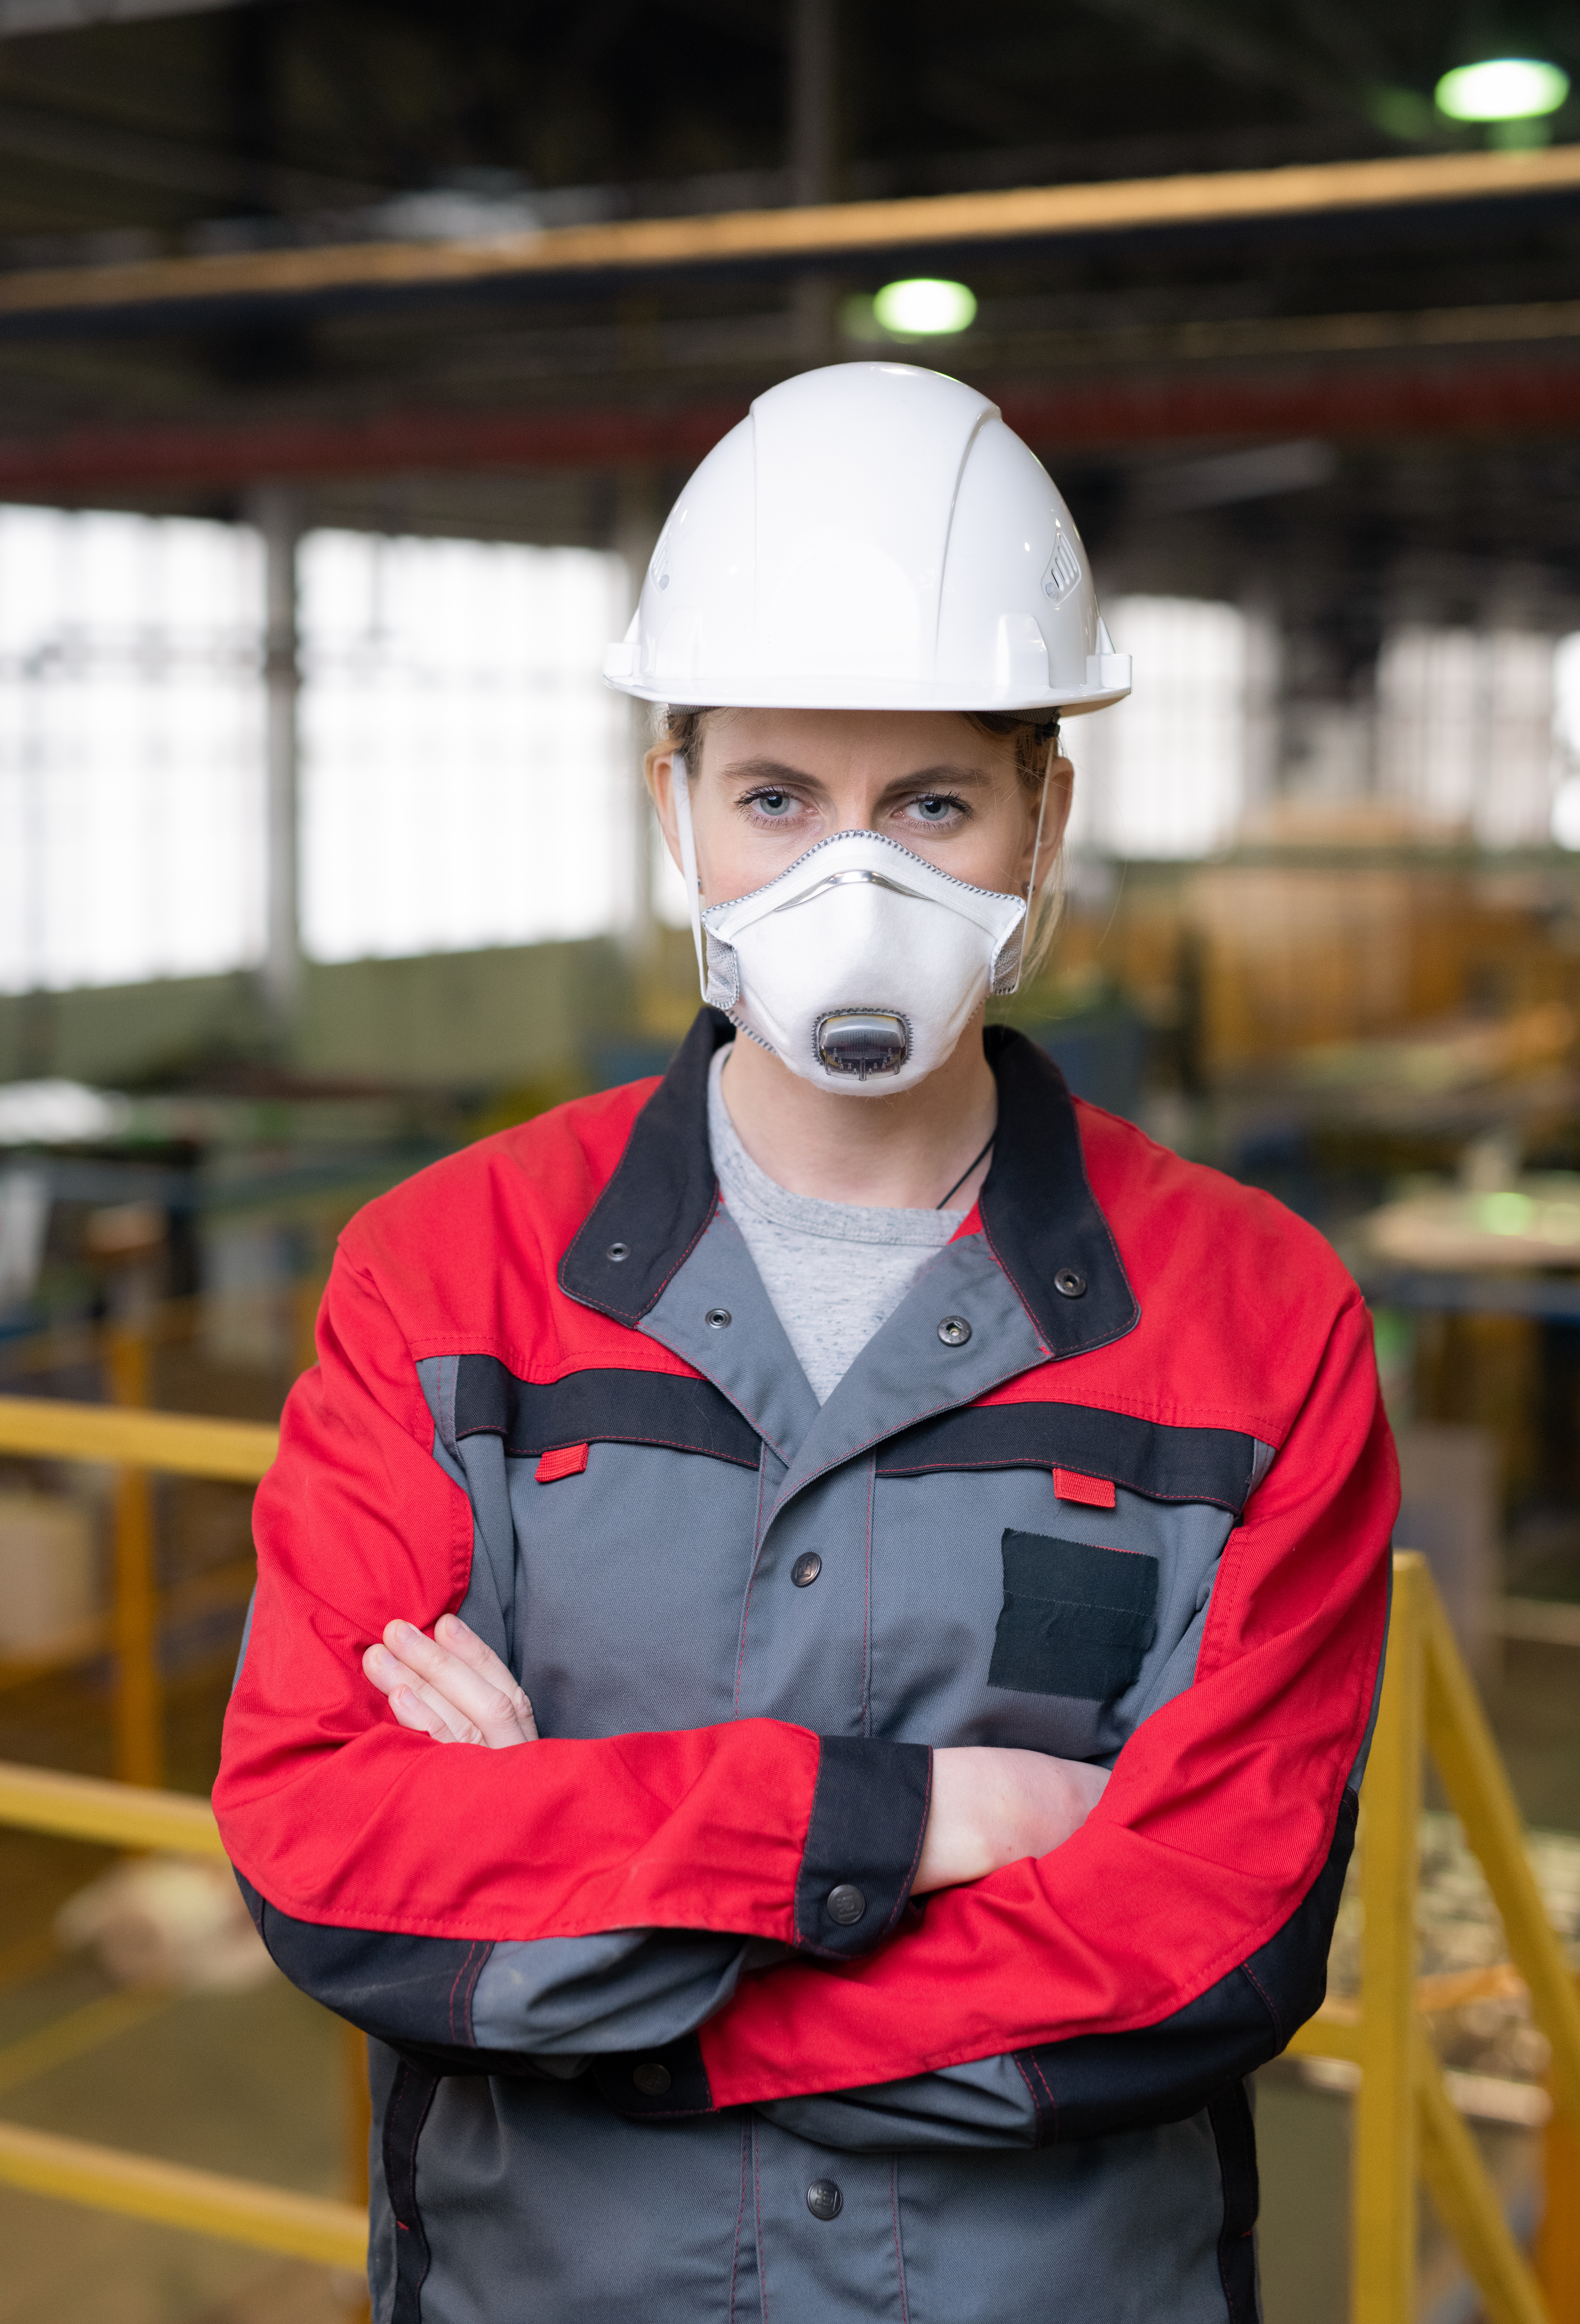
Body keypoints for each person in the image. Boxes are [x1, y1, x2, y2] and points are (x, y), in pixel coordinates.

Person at [215, 363, 1395, 2324]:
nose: (860, 884)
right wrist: (920, 1824)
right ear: (668, 802)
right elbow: (340, 1861)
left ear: (1047, 820)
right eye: (779, 799)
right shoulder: (443, 1279)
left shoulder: (1260, 1323)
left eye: (933, 801)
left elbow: (1207, 1952)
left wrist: (613, 1948)